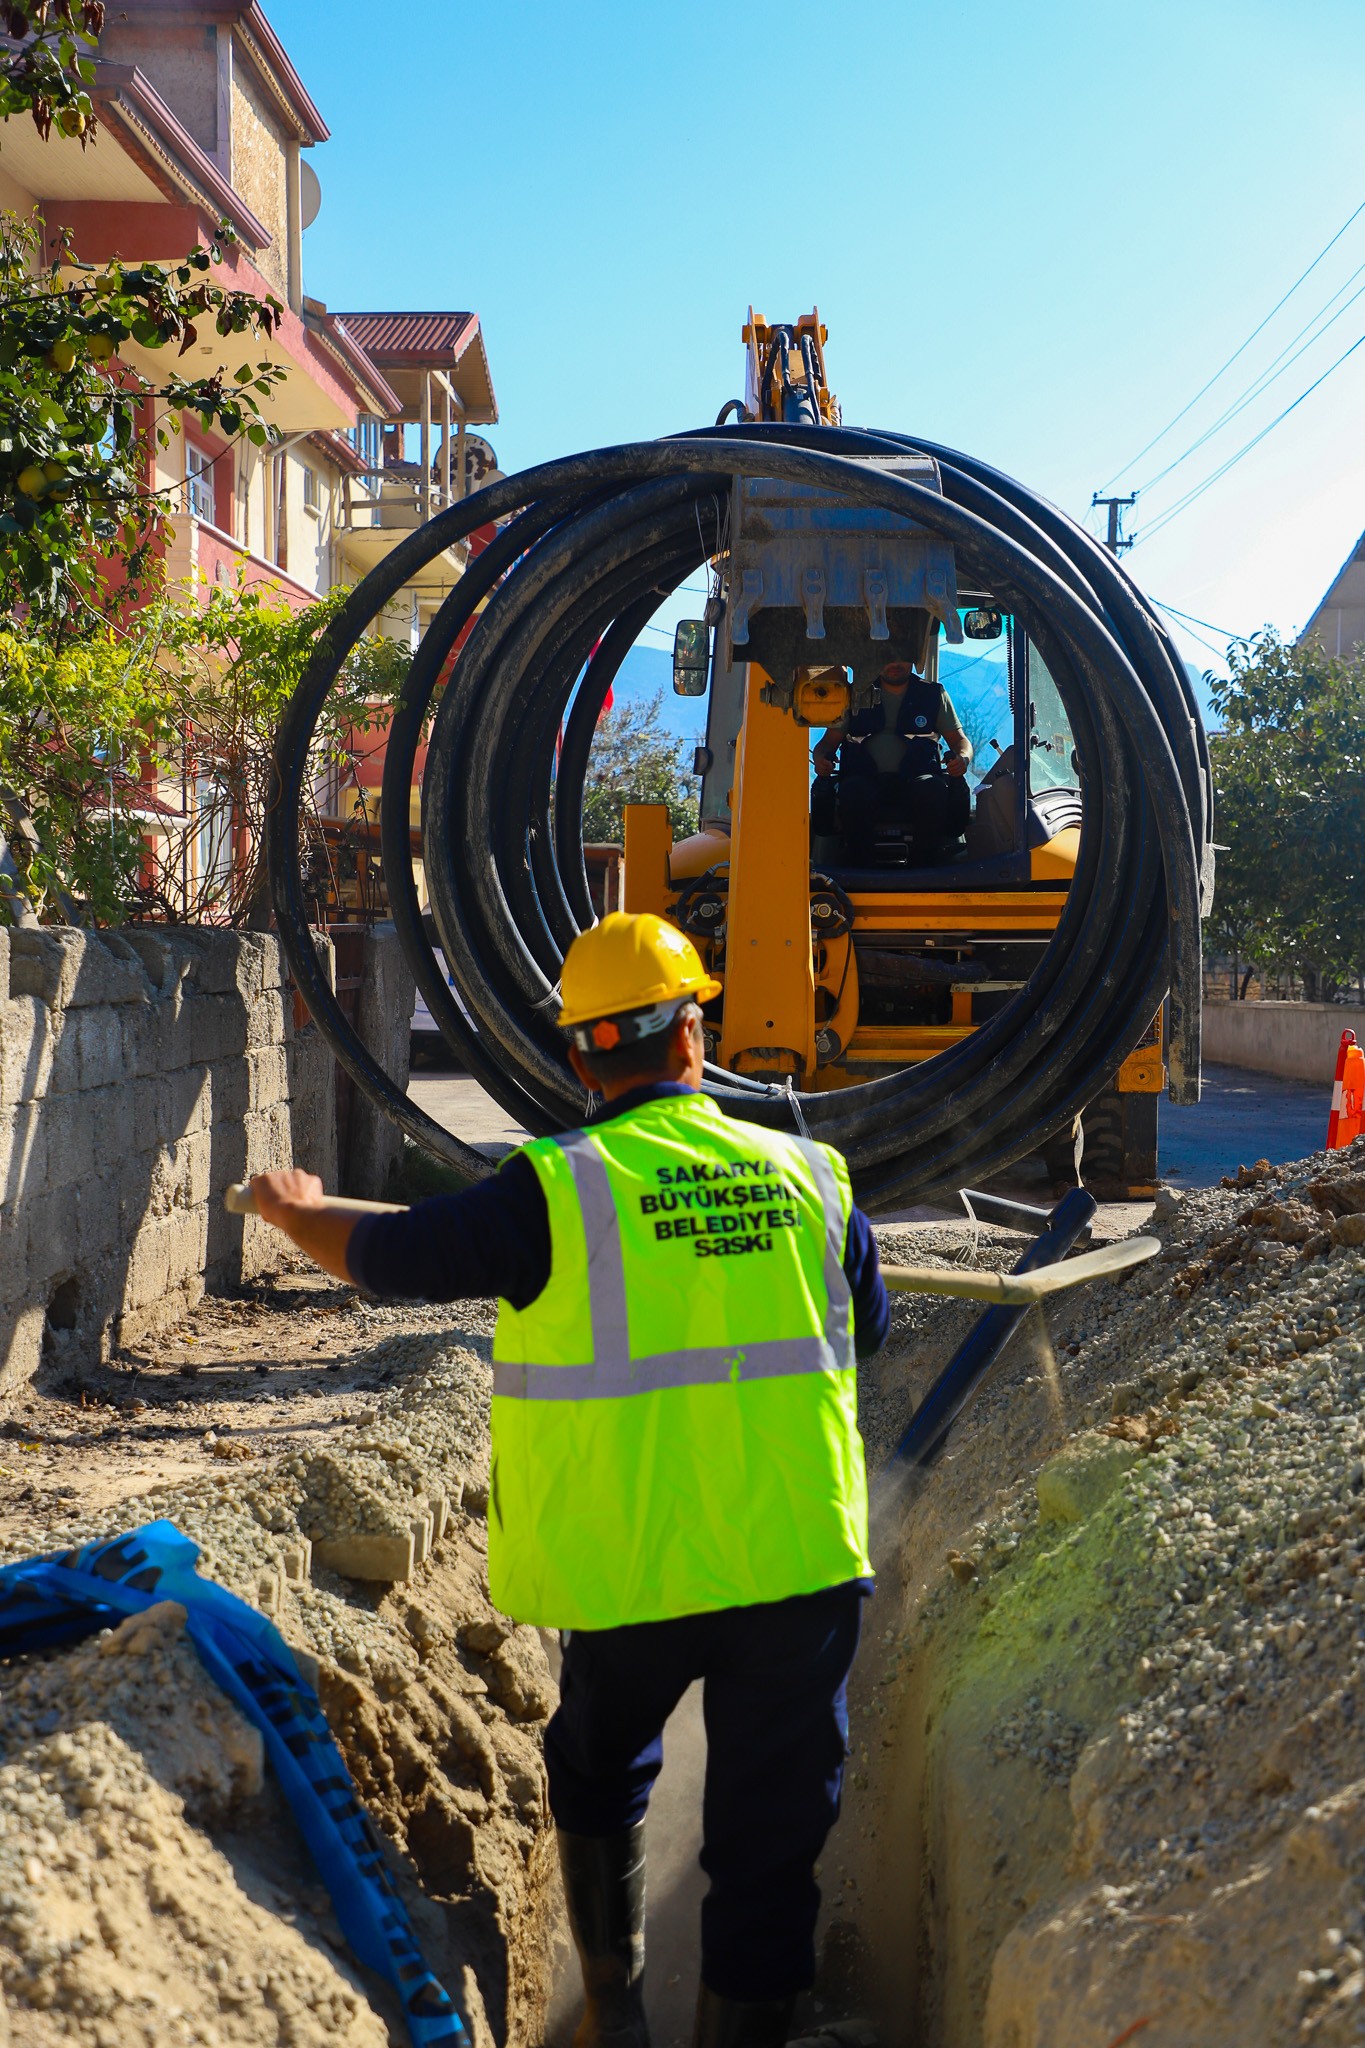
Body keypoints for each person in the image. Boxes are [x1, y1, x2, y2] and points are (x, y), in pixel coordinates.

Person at [249, 911, 888, 2048]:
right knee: (773, 1838)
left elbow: (396, 1253)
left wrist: (295, 1209)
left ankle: (615, 2006)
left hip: (631, 1570)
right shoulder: (815, 1175)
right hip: (796, 1570)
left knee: (598, 1769)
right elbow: (866, 1330)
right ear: (695, 1034)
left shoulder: (554, 1189)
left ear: (581, 1055)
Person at [810, 658, 972, 865]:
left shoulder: (933, 695)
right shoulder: (854, 696)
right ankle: (860, 866)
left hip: (917, 778)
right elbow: (826, 745)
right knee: (852, 790)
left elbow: (960, 741)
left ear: (914, 660)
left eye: (902, 658)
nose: (894, 664)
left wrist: (963, 759)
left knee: (932, 789)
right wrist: (820, 759)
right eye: (888, 657)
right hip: (864, 778)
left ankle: (925, 866)